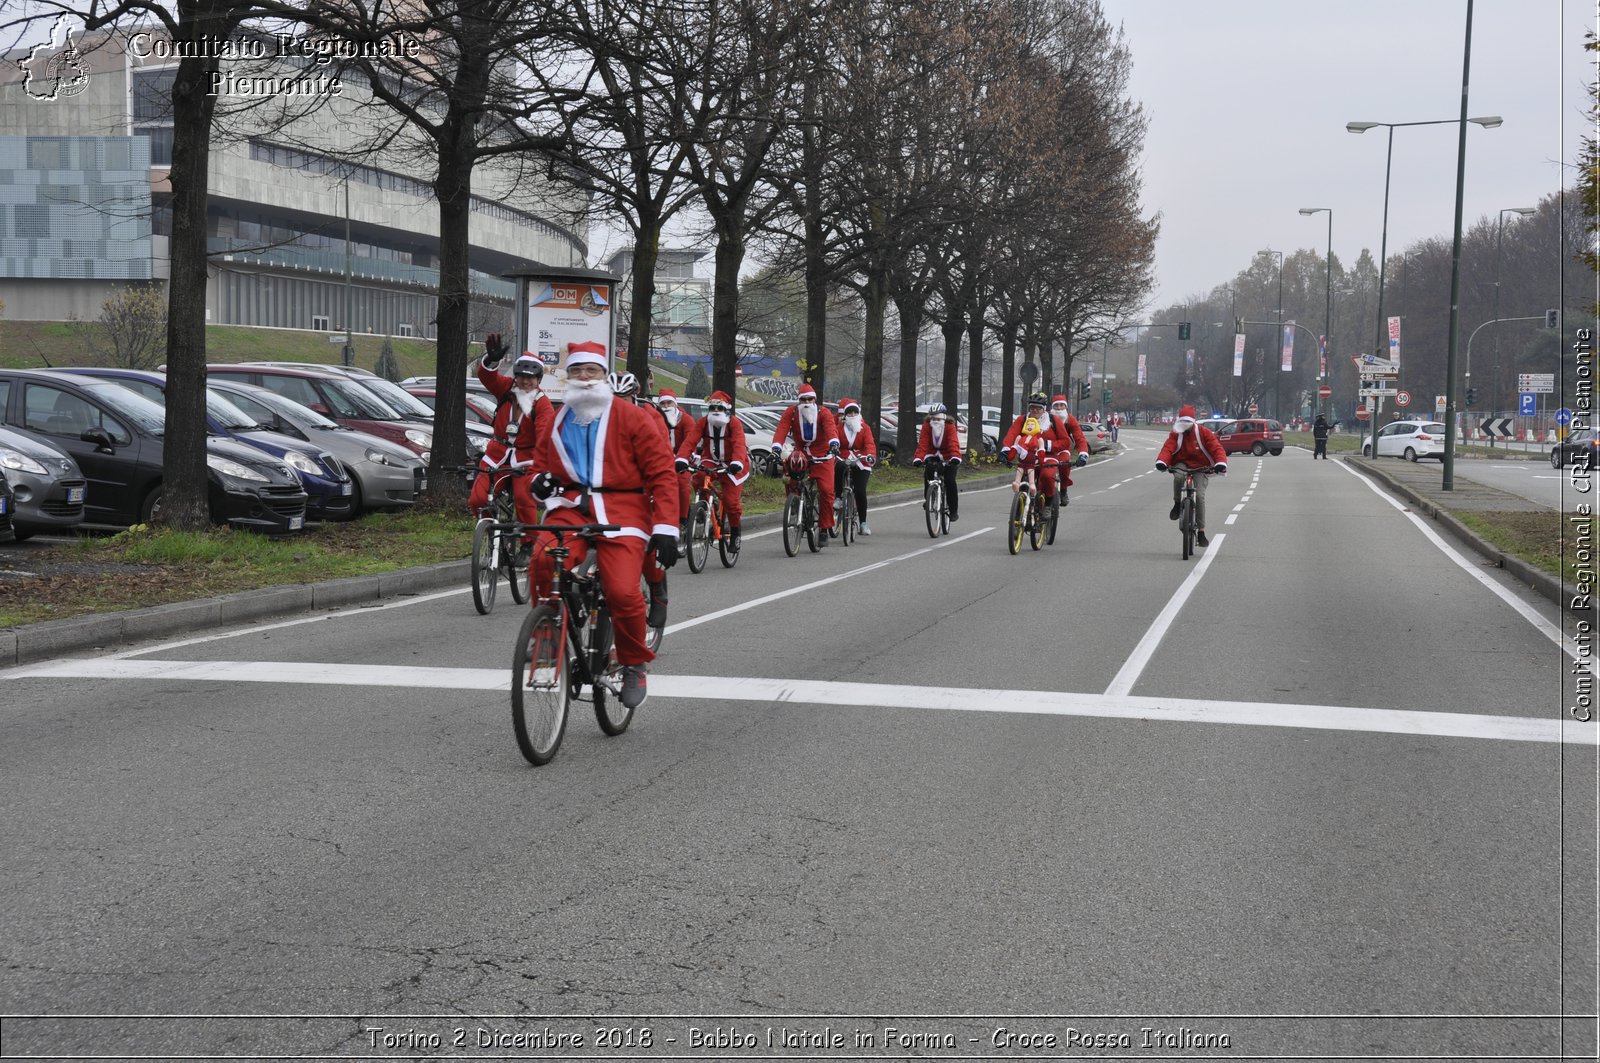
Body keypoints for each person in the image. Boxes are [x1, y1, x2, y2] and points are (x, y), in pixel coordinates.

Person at [527, 341, 680, 709]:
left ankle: (633, 662)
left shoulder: (634, 418)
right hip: (571, 507)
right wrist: (540, 483)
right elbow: (539, 467)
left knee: (623, 591)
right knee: (544, 559)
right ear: (568, 376)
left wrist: (666, 527)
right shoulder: (558, 419)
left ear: (602, 375)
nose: (583, 377)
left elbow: (662, 473)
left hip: (623, 509)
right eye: (577, 370)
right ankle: (548, 634)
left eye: (591, 370)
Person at [470, 333, 552, 558]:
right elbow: (487, 378)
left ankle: (528, 544)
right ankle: (489, 530)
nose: (525, 382)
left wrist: (542, 465)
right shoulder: (506, 390)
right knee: (478, 497)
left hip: (526, 459)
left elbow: (544, 435)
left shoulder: (542, 404)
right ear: (515, 377)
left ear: (538, 380)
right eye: (521, 377)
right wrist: (491, 361)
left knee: (524, 498)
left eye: (531, 378)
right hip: (497, 454)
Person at [675, 390, 750, 551]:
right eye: (713, 408)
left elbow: (739, 444)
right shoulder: (703, 422)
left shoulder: (734, 423)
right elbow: (690, 441)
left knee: (731, 501)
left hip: (733, 463)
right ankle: (706, 507)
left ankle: (735, 533)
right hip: (711, 460)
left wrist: (737, 462)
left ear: (726, 410)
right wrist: (681, 458)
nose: (716, 411)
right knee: (699, 477)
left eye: (720, 408)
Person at [771, 383, 842, 547]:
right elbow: (781, 429)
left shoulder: (823, 412)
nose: (807, 402)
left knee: (826, 490)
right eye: (803, 399)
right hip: (801, 453)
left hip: (823, 455)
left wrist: (834, 445)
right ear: (799, 401)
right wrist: (775, 448)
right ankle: (794, 505)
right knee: (790, 480)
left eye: (810, 399)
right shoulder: (792, 412)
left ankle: (824, 528)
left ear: (815, 400)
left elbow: (831, 429)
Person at [1155, 404, 1228, 547]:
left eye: (1187, 423)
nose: (1184, 426)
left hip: (1201, 466)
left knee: (1200, 496)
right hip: (1181, 463)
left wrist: (1220, 462)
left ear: (1192, 422)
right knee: (1178, 477)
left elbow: (1216, 448)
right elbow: (1168, 448)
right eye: (1182, 422)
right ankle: (1177, 503)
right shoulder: (1176, 433)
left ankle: (1201, 531)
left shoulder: (1204, 432)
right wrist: (1162, 461)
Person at [1002, 393, 1063, 499]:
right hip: (1027, 458)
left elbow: (1065, 442)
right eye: (1032, 407)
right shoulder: (1022, 420)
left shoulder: (1053, 420)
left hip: (1048, 456)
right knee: (1022, 478)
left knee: (1047, 476)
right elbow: (1011, 435)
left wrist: (1046, 445)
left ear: (1044, 409)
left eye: (1038, 408)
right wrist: (1006, 450)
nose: (1035, 410)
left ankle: (1048, 505)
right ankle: (1020, 506)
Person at [834, 398, 878, 535]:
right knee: (838, 467)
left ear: (858, 414)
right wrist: (834, 451)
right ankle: (839, 497)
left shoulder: (865, 428)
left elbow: (869, 444)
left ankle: (863, 523)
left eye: (855, 413)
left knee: (860, 491)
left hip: (861, 461)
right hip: (844, 458)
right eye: (849, 413)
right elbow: (834, 441)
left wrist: (869, 455)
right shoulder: (839, 428)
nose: (852, 415)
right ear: (845, 416)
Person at [912, 402, 962, 522]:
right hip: (932, 453)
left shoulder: (950, 426)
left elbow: (953, 443)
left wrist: (955, 457)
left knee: (950, 480)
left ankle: (953, 510)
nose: (935, 420)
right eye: (932, 418)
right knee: (928, 471)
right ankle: (930, 499)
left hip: (949, 455)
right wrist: (918, 458)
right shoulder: (927, 426)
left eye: (938, 418)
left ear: (943, 418)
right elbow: (923, 443)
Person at [1045, 394, 1090, 501]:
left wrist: (1083, 454)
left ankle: (1064, 489)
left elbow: (1079, 438)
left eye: (1062, 405)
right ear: (1052, 407)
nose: (1059, 408)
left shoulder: (1070, 420)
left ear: (1066, 407)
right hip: (1047, 449)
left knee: (1065, 465)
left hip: (1063, 449)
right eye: (1056, 406)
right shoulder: (1045, 418)